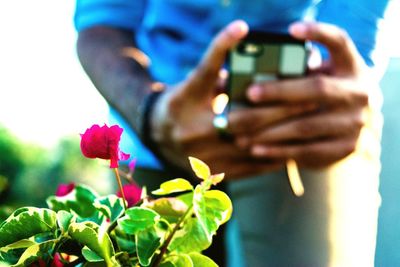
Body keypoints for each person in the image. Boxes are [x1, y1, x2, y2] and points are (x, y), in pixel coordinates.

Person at [74, 1, 390, 266]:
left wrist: (335, 95)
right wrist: (149, 112)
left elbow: (354, 30)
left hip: (300, 124)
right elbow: (103, 20)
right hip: (153, 123)